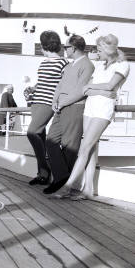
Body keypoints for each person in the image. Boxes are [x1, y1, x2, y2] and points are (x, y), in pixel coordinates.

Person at [57, 34, 130, 200]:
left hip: (103, 111)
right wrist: (101, 90)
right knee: (90, 149)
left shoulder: (123, 65)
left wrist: (95, 88)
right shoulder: (100, 66)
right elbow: (86, 89)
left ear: (107, 49)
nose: (97, 53)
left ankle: (68, 187)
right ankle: (88, 190)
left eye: (99, 50)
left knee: (84, 148)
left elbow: (111, 86)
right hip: (90, 108)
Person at [43, 34, 96, 194]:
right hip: (61, 108)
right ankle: (61, 178)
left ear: (73, 48)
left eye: (66, 47)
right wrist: (54, 101)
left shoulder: (87, 65)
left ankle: (64, 186)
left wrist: (63, 102)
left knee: (69, 147)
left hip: (75, 108)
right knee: (51, 141)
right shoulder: (68, 65)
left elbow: (81, 90)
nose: (63, 49)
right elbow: (59, 86)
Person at [27, 30, 69, 185]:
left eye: (41, 44)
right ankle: (43, 175)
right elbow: (43, 82)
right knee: (40, 135)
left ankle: (46, 164)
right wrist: (33, 89)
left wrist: (60, 101)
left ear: (45, 45)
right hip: (36, 101)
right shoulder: (44, 62)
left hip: (48, 103)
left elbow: (65, 83)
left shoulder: (63, 63)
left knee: (32, 132)